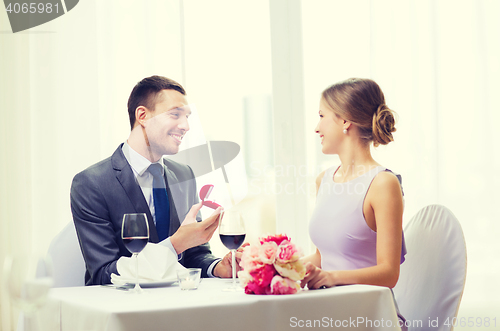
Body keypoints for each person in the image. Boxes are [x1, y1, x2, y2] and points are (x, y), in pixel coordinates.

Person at [71, 75, 235, 285]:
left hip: (179, 305)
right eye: (175, 114)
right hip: (125, 308)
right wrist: (174, 245)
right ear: (143, 116)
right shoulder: (91, 184)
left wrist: (218, 267)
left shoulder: (185, 175)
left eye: (187, 117)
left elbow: (195, 256)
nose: (185, 126)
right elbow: (103, 273)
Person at [301, 78, 407, 326]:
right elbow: (323, 256)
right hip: (328, 311)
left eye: (321, 116)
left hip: (369, 316)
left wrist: (332, 277)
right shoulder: (324, 180)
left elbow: (389, 273)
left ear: (345, 121)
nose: (317, 128)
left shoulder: (383, 183)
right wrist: (278, 267)